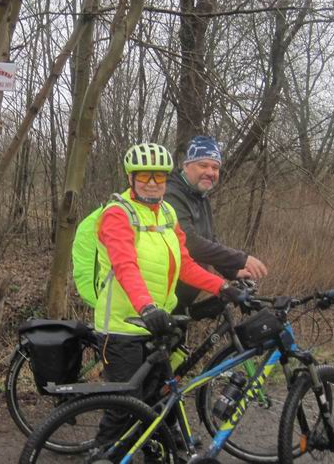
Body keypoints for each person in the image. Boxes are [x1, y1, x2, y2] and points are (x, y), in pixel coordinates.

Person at [93, 142, 244, 448]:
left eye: (159, 178)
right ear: (131, 178)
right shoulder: (117, 214)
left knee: (159, 396)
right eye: (145, 177)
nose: (152, 184)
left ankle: (155, 449)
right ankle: (102, 453)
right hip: (123, 325)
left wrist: (221, 286)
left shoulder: (167, 213)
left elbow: (184, 263)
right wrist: (146, 307)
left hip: (160, 323)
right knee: (126, 405)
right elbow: (125, 266)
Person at [163, 135, 269, 315]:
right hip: (163, 297)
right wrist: (242, 259)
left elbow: (210, 239)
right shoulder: (171, 195)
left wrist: (232, 271)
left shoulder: (199, 196)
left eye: (215, 167)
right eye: (203, 165)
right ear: (186, 166)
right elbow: (190, 243)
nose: (210, 172)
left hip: (183, 297)